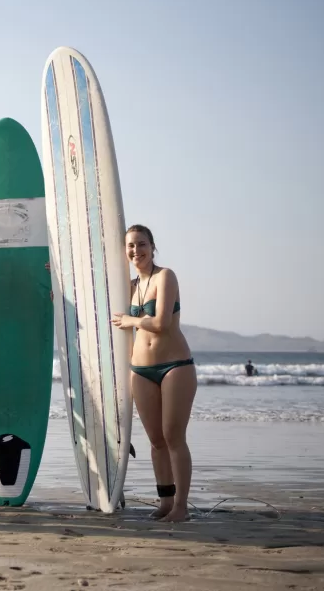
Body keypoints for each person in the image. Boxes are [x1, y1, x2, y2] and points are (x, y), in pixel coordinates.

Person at [111, 224, 196, 523]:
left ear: (152, 246)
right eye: (131, 246)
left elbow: (160, 323)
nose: (136, 250)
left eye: (142, 244)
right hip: (141, 369)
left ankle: (181, 507)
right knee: (156, 441)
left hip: (175, 366)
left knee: (174, 437)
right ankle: (165, 502)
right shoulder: (130, 286)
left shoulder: (165, 276)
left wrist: (131, 322)